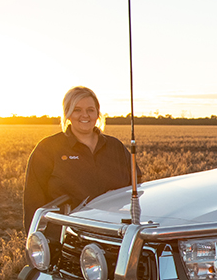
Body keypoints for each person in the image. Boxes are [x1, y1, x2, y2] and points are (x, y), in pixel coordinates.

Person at [23, 86, 142, 232]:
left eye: (90, 110)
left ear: (98, 114)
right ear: (67, 114)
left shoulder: (115, 147)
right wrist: (35, 240)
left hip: (113, 233)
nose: (84, 115)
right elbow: (33, 200)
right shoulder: (48, 148)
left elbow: (136, 186)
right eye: (77, 110)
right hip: (65, 237)